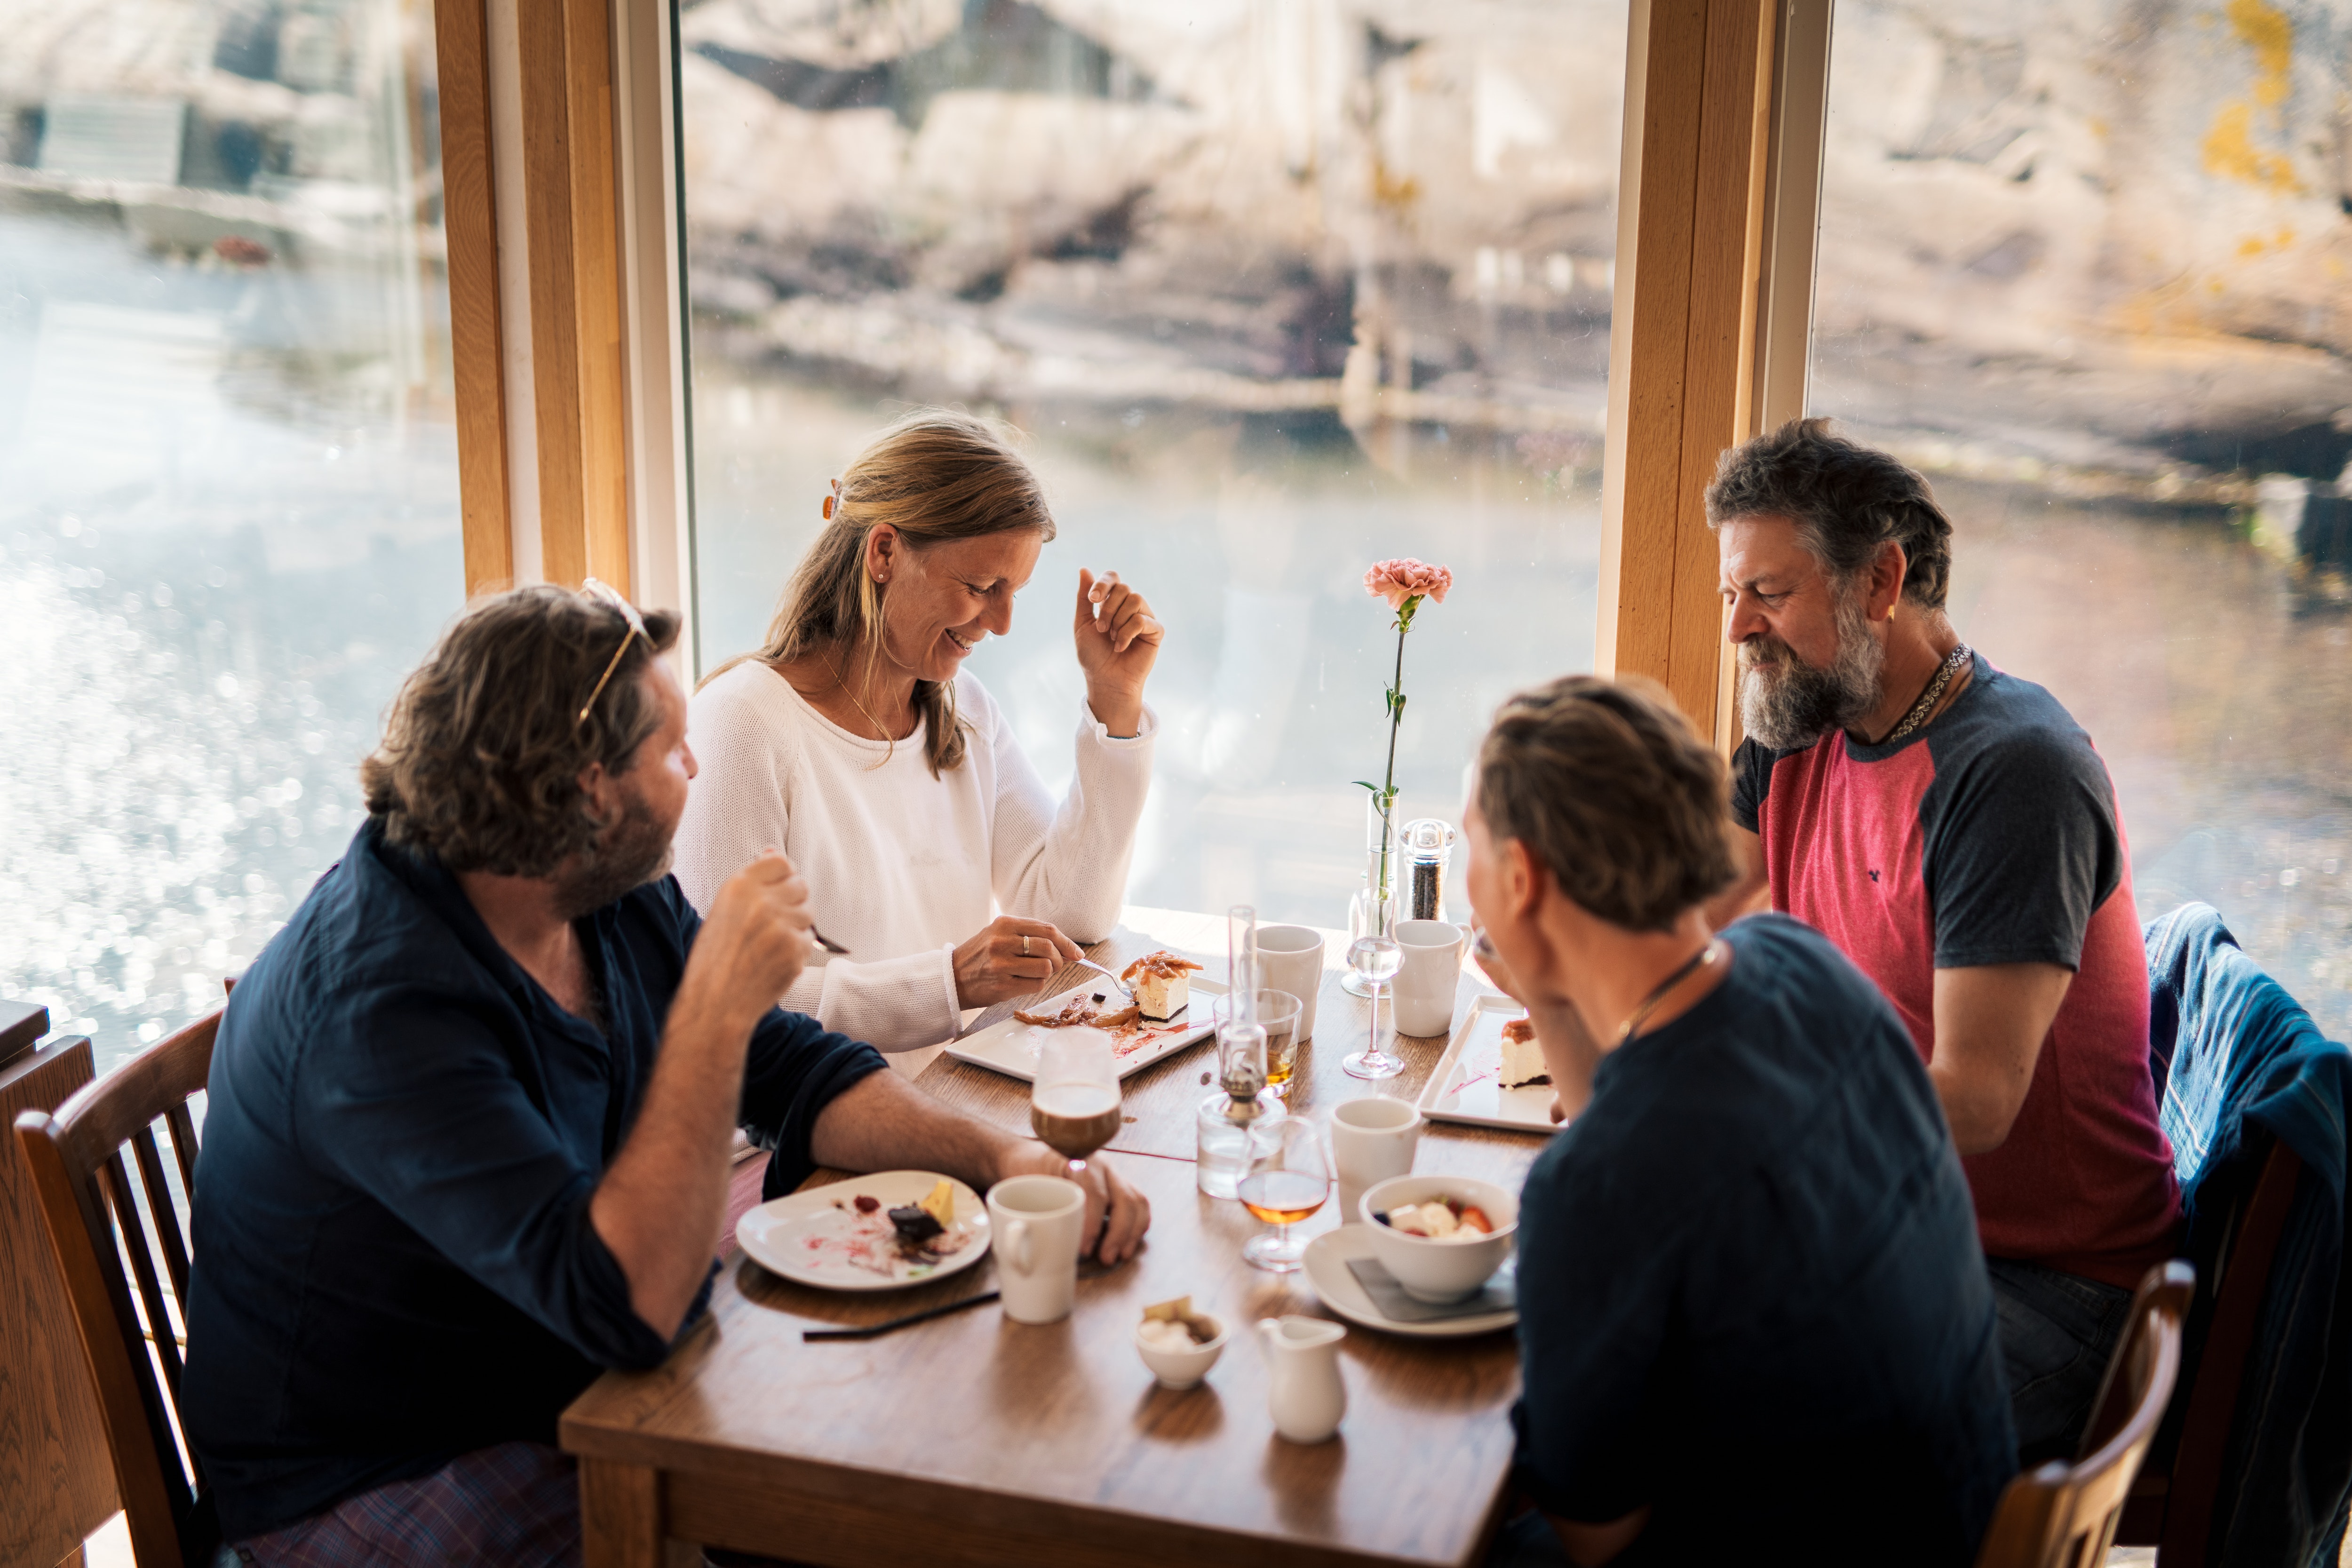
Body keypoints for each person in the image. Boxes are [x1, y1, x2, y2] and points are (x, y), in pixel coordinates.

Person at [182, 583, 1149, 1563]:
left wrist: (1006, 1157)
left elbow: (792, 1067)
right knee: (818, 1512)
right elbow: (628, 1308)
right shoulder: (382, 1005)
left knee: (910, 1441)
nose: (696, 766)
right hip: (383, 1462)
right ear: (588, 789)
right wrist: (715, 1010)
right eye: (674, 749)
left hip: (558, 1359)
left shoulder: (595, 882)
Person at [1705, 417, 2181, 1459]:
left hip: (2043, 1283)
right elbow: (1679, 919)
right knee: (1610, 1348)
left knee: (1720, 1445)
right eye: (1730, 593)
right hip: (1877, 1219)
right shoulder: (1798, 723)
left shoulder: (2013, 772)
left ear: (1881, 580)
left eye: (1769, 591)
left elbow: (1975, 1098)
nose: (1738, 627)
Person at [1464, 675, 2015, 1568]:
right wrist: (1548, 987)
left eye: (1471, 847)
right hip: (1951, 1518)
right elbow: (1630, 1122)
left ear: (1522, 878)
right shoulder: (1800, 959)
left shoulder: (1593, 1187)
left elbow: (1596, 1535)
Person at [675, 411, 1162, 1073]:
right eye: (982, 588)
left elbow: (1072, 916)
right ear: (884, 553)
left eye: (1014, 593)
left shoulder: (964, 712)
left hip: (950, 1092)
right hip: (808, 1120)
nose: (1002, 623)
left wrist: (1115, 701)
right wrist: (949, 983)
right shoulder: (741, 726)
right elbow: (725, 1003)